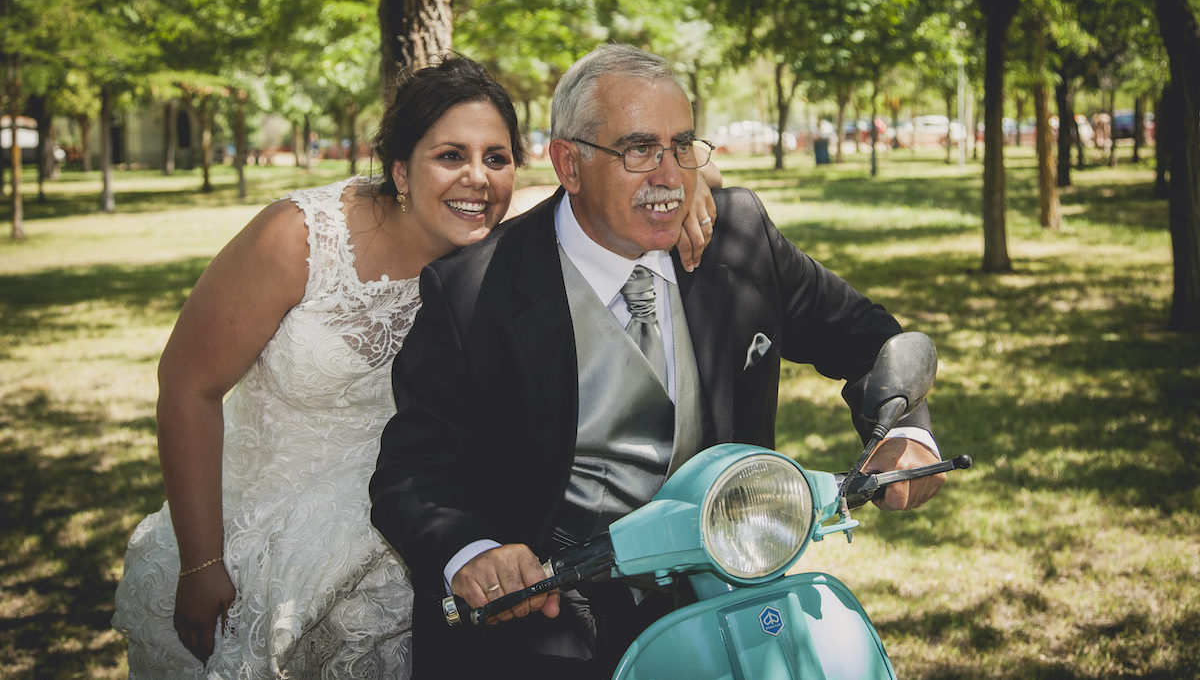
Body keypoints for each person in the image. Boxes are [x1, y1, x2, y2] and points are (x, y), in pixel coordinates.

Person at [112, 54, 719, 679]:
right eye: (450, 156)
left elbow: (612, 176)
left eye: (497, 158)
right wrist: (201, 559)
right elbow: (188, 387)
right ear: (400, 170)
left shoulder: (508, 250)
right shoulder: (298, 238)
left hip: (419, 549)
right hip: (262, 547)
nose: (477, 179)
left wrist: (693, 178)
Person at [369, 43, 947, 679]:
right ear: (569, 164)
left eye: (682, 146)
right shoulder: (472, 290)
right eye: (639, 150)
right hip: (553, 611)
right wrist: (471, 552)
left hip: (728, 588)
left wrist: (906, 433)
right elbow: (411, 472)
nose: (670, 176)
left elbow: (866, 337)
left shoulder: (741, 239)